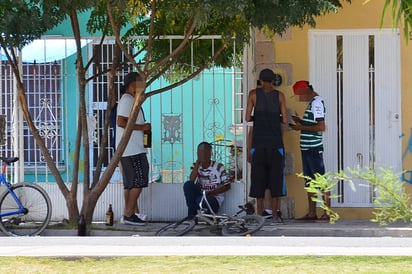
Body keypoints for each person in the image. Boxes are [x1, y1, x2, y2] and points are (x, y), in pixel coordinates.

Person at [245, 69, 287, 223]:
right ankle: (275, 215)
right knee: (276, 180)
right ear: (273, 81)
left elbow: (247, 116)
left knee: (258, 179)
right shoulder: (280, 96)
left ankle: (260, 213)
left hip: (259, 143)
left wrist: (259, 117)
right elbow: (285, 119)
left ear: (261, 81)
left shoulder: (253, 94)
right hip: (276, 144)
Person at [290, 80, 330, 221]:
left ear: (306, 91)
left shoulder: (317, 103)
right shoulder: (312, 103)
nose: (300, 99)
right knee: (310, 181)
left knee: (320, 180)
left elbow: (321, 127)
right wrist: (300, 121)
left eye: (300, 95)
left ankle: (327, 213)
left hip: (313, 148)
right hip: (307, 148)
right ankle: (312, 213)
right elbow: (312, 124)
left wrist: (300, 128)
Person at [116, 72, 151, 225]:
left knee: (131, 183)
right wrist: (142, 127)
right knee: (138, 181)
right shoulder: (127, 100)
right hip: (132, 149)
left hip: (133, 148)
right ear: (132, 85)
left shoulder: (132, 100)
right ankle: (129, 214)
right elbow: (121, 122)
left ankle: (132, 213)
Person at [183, 142, 232, 218]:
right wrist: (197, 164)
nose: (203, 156)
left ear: (210, 154)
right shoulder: (195, 166)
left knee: (201, 201)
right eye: (200, 154)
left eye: (206, 154)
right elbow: (191, 180)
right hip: (201, 194)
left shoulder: (219, 167)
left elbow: (228, 186)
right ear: (197, 154)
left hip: (214, 197)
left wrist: (214, 192)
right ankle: (192, 217)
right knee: (188, 185)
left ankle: (211, 218)